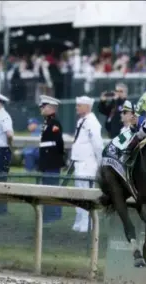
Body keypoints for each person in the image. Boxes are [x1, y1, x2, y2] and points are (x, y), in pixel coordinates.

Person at [71, 96, 103, 233]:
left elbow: (97, 144)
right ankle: (79, 222)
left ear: (87, 107)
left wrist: (100, 162)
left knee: (85, 194)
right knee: (78, 194)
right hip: (79, 163)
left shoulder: (92, 123)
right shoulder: (81, 121)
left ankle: (86, 224)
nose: (76, 107)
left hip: (88, 164)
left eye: (79, 105)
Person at [38, 95, 65, 223]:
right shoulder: (47, 122)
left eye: (43, 106)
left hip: (52, 161)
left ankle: (53, 216)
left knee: (51, 188)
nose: (41, 108)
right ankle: (50, 215)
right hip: (47, 161)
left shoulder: (54, 123)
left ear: (51, 108)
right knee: (47, 187)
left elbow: (58, 144)